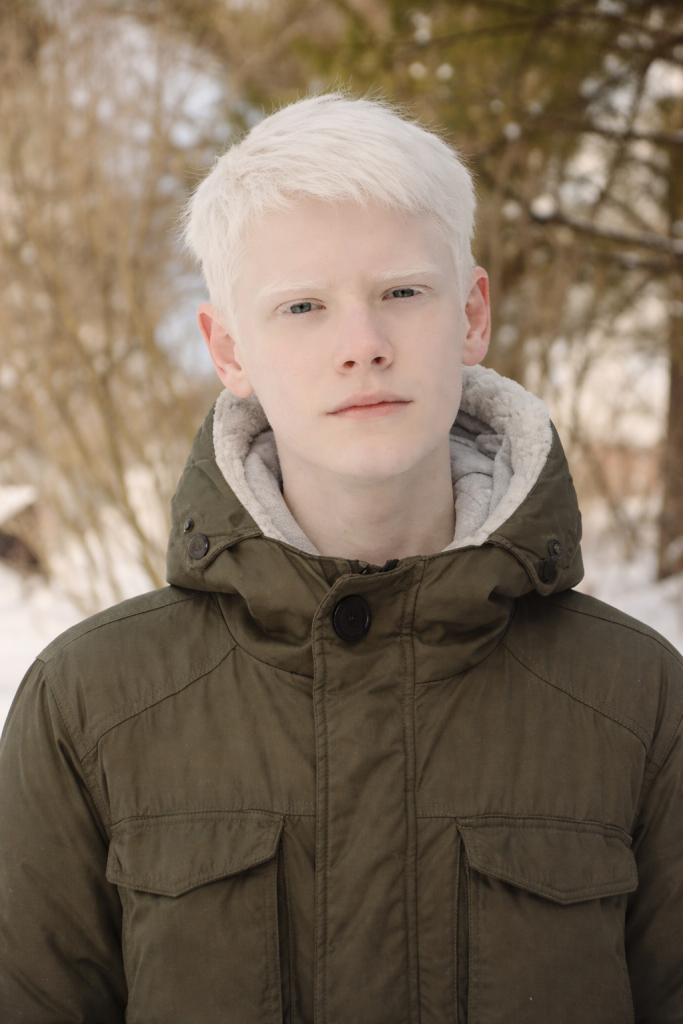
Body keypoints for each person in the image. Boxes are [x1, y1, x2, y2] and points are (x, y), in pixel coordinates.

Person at [0, 93, 681, 1024]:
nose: (362, 346)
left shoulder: (638, 699)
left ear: (471, 314)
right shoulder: (91, 704)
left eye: (402, 292)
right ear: (228, 350)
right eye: (302, 306)